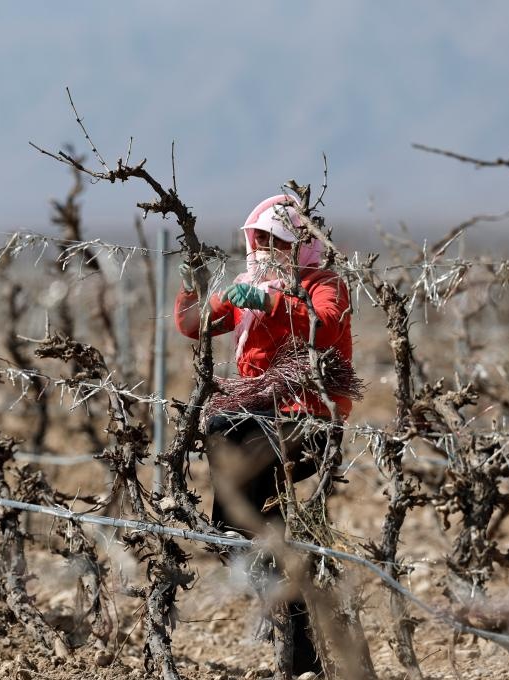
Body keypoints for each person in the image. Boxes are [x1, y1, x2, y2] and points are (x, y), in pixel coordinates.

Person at [173, 194, 357, 675]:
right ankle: (296, 646)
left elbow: (327, 324)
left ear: (299, 244)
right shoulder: (248, 285)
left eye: (276, 240)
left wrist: (273, 301)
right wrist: (191, 291)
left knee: (259, 534)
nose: (266, 250)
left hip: (307, 420)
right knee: (222, 433)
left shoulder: (324, 283)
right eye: (259, 240)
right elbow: (194, 326)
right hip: (257, 416)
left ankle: (237, 535)